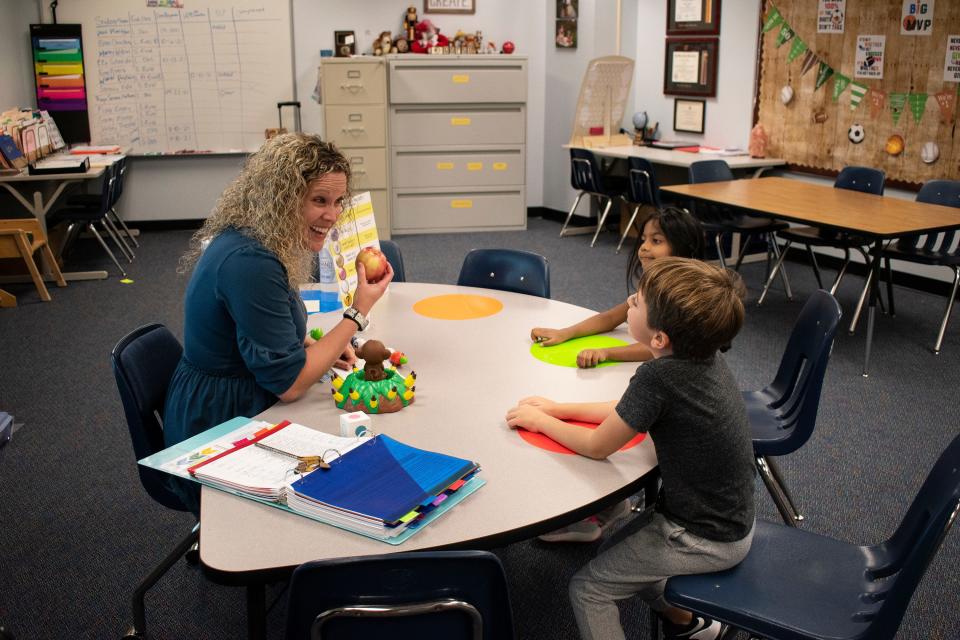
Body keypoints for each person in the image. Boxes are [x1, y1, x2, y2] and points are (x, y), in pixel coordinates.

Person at [506, 257, 755, 640]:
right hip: (730, 520)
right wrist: (558, 409)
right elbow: (629, 411)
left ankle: (691, 621)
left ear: (659, 339)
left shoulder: (659, 376)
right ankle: (691, 625)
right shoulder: (702, 358)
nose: (629, 301)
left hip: (703, 536)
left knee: (589, 589)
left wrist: (541, 422)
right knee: (620, 551)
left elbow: (596, 446)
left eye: (637, 302)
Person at [163, 133, 393, 513]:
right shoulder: (251, 261)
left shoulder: (260, 240)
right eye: (319, 200)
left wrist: (314, 348)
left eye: (338, 202)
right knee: (355, 472)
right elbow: (289, 385)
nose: (332, 215)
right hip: (221, 420)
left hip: (230, 390)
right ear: (282, 197)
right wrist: (357, 312)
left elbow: (254, 330)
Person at [531, 207, 704, 369]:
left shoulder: (683, 297)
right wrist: (565, 333)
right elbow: (612, 317)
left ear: (682, 249)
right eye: (644, 239)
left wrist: (606, 353)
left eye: (656, 241)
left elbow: (660, 348)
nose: (644, 247)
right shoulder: (655, 286)